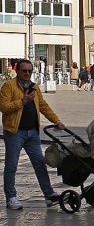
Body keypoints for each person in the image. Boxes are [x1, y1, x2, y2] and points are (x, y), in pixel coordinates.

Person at [0, 59, 66, 209]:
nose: (27, 74)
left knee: (39, 164)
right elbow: (3, 107)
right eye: (24, 71)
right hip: (15, 132)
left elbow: (43, 106)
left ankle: (49, 195)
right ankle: (11, 197)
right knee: (11, 166)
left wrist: (56, 120)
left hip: (33, 133)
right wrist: (22, 101)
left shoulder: (34, 87)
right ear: (17, 71)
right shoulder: (8, 86)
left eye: (30, 71)